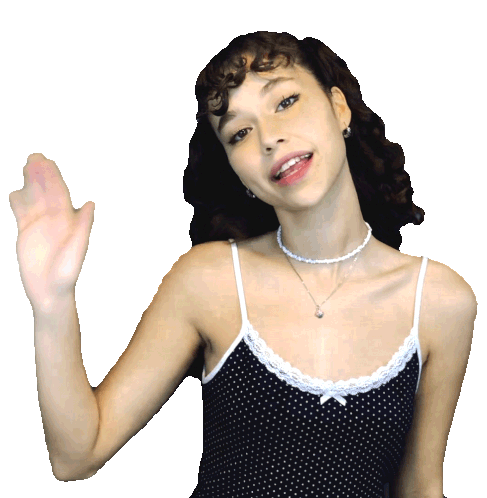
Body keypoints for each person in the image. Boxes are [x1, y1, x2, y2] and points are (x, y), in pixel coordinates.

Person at [9, 31, 475, 497]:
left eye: (285, 102)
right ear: (238, 173)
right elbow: (77, 454)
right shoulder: (208, 282)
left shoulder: (440, 303)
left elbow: (420, 487)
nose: (270, 138)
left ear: (339, 108)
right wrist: (52, 303)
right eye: (240, 133)